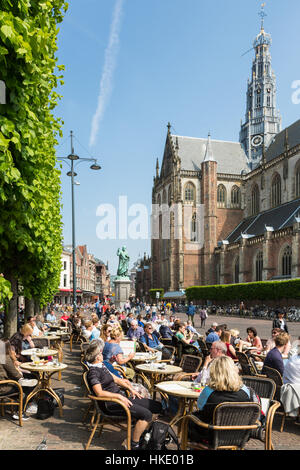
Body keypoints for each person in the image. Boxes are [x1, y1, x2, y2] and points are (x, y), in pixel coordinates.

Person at [86, 339, 162, 450]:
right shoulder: (93, 372)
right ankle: (133, 444)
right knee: (146, 415)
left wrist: (130, 388)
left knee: (156, 406)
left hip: (120, 398)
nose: (102, 355)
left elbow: (116, 379)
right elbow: (99, 392)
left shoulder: (101, 366)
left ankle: (141, 433)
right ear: (97, 356)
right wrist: (119, 396)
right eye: (101, 353)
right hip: (111, 404)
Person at [188, 356, 256, 444]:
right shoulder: (246, 391)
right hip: (239, 435)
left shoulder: (208, 391)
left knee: (189, 419)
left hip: (211, 435)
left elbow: (200, 407)